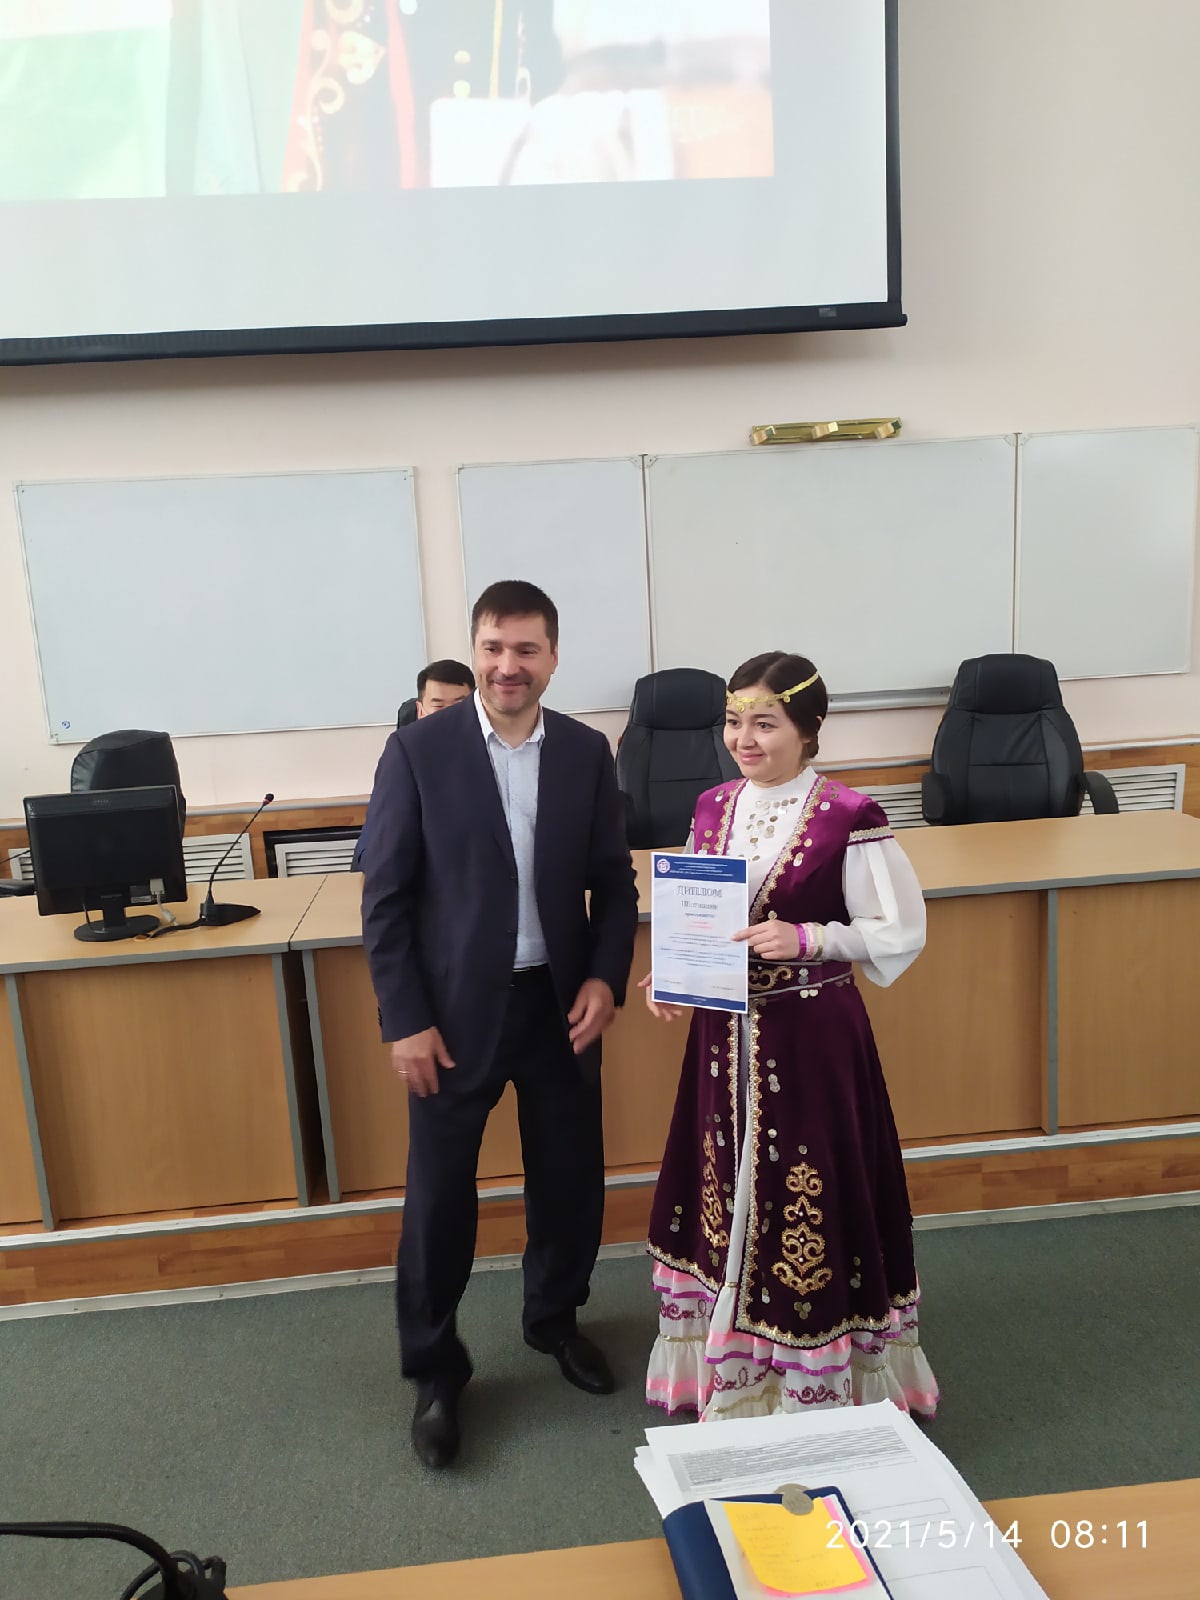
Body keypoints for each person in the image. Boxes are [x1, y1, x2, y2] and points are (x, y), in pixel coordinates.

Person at [360, 580, 638, 1469]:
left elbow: (614, 883)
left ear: (552, 658)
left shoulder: (587, 752)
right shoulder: (418, 751)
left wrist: (605, 977)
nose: (507, 665)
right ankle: (436, 1370)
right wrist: (405, 1020)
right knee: (440, 1197)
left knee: (569, 1178)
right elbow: (385, 899)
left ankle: (554, 1318)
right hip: (451, 1018)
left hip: (559, 1008)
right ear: (474, 651)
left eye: (525, 649)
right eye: (492, 647)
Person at [641, 651, 939, 1421]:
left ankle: (812, 1372)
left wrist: (811, 938)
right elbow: (702, 915)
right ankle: (734, 1362)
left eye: (765, 723)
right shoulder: (712, 806)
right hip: (722, 1036)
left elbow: (899, 929)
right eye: (734, 721)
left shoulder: (849, 815)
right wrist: (673, 970)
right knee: (723, 1182)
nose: (744, 738)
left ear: (808, 729)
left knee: (809, 1188)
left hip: (810, 1036)